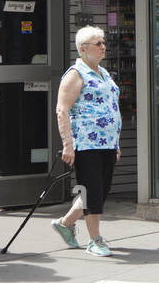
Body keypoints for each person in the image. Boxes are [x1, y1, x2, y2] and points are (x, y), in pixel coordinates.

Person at [52, 26, 122, 257]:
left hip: (107, 142)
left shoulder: (103, 72)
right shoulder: (76, 73)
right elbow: (62, 110)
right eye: (97, 43)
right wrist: (67, 144)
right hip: (86, 142)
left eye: (103, 42)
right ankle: (95, 240)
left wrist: (116, 142)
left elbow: (111, 107)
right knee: (92, 190)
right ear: (82, 49)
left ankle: (64, 223)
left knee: (101, 190)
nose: (103, 47)